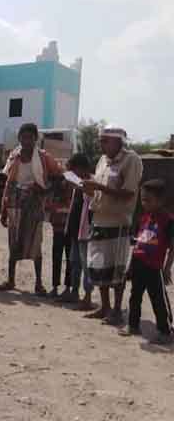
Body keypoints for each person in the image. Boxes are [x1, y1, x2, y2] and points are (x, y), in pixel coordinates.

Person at [83, 126, 143, 325]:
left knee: (117, 269)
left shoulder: (131, 160)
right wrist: (88, 188)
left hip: (118, 221)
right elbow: (98, 191)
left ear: (118, 141)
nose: (101, 144)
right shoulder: (102, 160)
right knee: (99, 265)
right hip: (99, 219)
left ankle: (117, 310)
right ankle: (105, 307)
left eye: (105, 140)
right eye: (100, 140)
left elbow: (129, 193)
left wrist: (99, 186)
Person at [0, 123, 63, 294]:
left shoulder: (43, 157)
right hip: (15, 203)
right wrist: (3, 208)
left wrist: (44, 190)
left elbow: (59, 177)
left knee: (35, 242)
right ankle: (10, 280)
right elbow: (9, 183)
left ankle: (38, 283)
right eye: (23, 137)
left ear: (36, 139)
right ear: (19, 138)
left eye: (30, 137)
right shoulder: (14, 156)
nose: (26, 141)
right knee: (13, 242)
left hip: (34, 203)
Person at [120, 179, 173, 344]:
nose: (144, 203)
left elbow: (172, 247)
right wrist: (130, 266)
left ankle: (165, 331)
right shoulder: (143, 218)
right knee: (134, 296)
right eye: (142, 200)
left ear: (161, 200)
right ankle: (133, 325)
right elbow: (138, 243)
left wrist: (167, 268)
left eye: (148, 200)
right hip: (138, 264)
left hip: (154, 267)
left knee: (158, 299)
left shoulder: (168, 221)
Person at [62, 154, 95, 307]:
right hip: (75, 229)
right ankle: (74, 292)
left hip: (86, 230)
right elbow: (73, 207)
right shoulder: (78, 185)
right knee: (74, 262)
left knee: (86, 264)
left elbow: (93, 203)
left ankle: (87, 296)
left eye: (73, 170)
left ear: (82, 168)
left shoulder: (93, 183)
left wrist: (81, 186)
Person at [47, 175, 73, 297]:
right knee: (60, 258)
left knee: (67, 258)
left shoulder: (69, 195)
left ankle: (65, 287)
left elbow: (52, 210)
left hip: (66, 230)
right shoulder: (56, 194)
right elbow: (51, 209)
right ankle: (58, 287)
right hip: (60, 229)